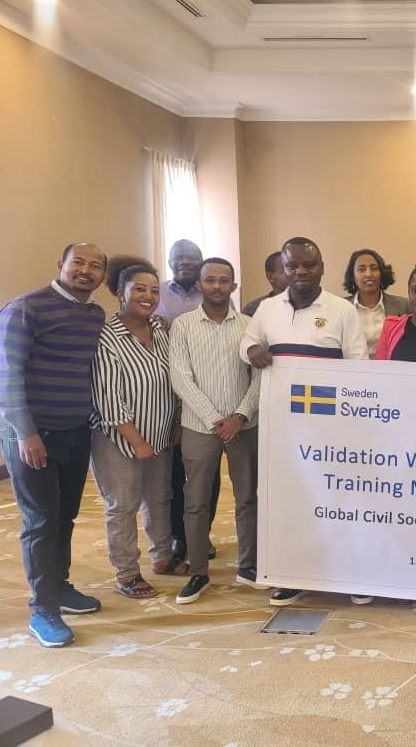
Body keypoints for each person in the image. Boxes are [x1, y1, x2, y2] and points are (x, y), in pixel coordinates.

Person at [240, 237, 369, 607]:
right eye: (292, 265)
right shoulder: (267, 309)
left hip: (330, 427)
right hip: (281, 427)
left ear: (322, 268)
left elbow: (358, 364)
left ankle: (350, 574)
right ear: (282, 269)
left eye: (308, 265)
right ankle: (293, 575)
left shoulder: (341, 310)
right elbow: (245, 343)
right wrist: (253, 349)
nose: (300, 271)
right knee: (290, 501)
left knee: (338, 498)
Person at [0, 243, 108, 647]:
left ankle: (60, 586)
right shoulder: (25, 309)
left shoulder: (94, 315)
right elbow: (5, 378)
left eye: (95, 266)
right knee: (40, 521)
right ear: (61, 265)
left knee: (65, 516)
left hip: (75, 431)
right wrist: (26, 433)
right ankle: (43, 610)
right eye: (79, 262)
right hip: (32, 435)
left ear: (102, 276)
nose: (86, 270)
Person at [169, 258, 263, 605]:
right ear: (200, 285)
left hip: (245, 426)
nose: (217, 286)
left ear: (234, 286)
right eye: (210, 280)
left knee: (248, 497)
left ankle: (249, 565)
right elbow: (180, 378)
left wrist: (239, 416)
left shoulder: (250, 326)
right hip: (199, 427)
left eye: (225, 280)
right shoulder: (183, 326)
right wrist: (214, 419)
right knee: (195, 501)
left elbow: (260, 376)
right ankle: (198, 572)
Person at [90, 259, 182, 602]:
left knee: (159, 498)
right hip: (118, 438)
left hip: (160, 434)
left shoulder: (160, 329)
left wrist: (174, 421)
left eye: (154, 290)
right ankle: (126, 573)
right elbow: (107, 396)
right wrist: (136, 440)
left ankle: (162, 556)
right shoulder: (106, 336)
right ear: (120, 293)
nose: (148, 296)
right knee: (123, 505)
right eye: (139, 289)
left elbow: (172, 380)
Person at [154, 239, 221, 564]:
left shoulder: (212, 294)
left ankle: (200, 534)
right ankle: (177, 537)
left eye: (192, 258)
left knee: (205, 472)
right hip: (161, 395)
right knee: (169, 475)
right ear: (170, 261)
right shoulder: (155, 293)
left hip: (203, 397)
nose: (184, 262)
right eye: (178, 257)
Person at [342, 249, 408, 359]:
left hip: (391, 368)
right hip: (352, 368)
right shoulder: (342, 307)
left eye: (374, 268)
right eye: (361, 269)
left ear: (382, 273)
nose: (368, 274)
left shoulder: (402, 306)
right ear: (352, 276)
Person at [242, 251, 289, 317]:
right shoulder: (253, 310)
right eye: (286, 270)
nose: (294, 274)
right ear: (270, 277)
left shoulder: (303, 305)